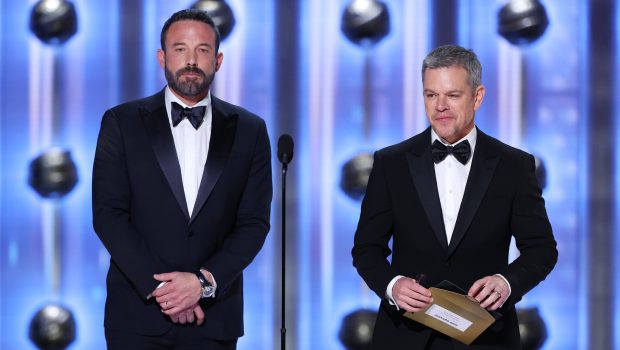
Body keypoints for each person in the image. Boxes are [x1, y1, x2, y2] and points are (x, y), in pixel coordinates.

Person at [351, 44, 557, 349]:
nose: (440, 106)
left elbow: (541, 250)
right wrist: (393, 286)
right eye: (431, 95)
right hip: (405, 336)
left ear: (477, 96)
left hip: (487, 337)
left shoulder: (514, 166)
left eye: (452, 95)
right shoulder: (390, 163)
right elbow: (366, 249)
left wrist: (507, 283)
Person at [92, 9, 272, 350]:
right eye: (180, 49)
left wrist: (202, 284)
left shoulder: (250, 130)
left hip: (215, 317)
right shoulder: (121, 122)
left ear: (218, 60)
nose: (191, 60)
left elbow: (253, 223)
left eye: (202, 50)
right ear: (162, 56)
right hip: (137, 318)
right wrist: (165, 291)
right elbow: (108, 215)